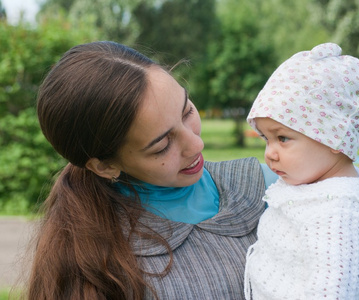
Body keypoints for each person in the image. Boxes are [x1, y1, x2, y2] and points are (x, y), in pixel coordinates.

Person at [27, 41, 277, 300]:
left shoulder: (273, 186)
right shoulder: (92, 263)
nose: (197, 144)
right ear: (104, 166)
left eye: (187, 111)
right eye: (162, 145)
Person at [244, 43, 359, 299]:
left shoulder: (339, 212)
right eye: (266, 139)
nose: (270, 153)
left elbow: (331, 291)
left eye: (283, 138)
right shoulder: (316, 187)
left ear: (335, 137)